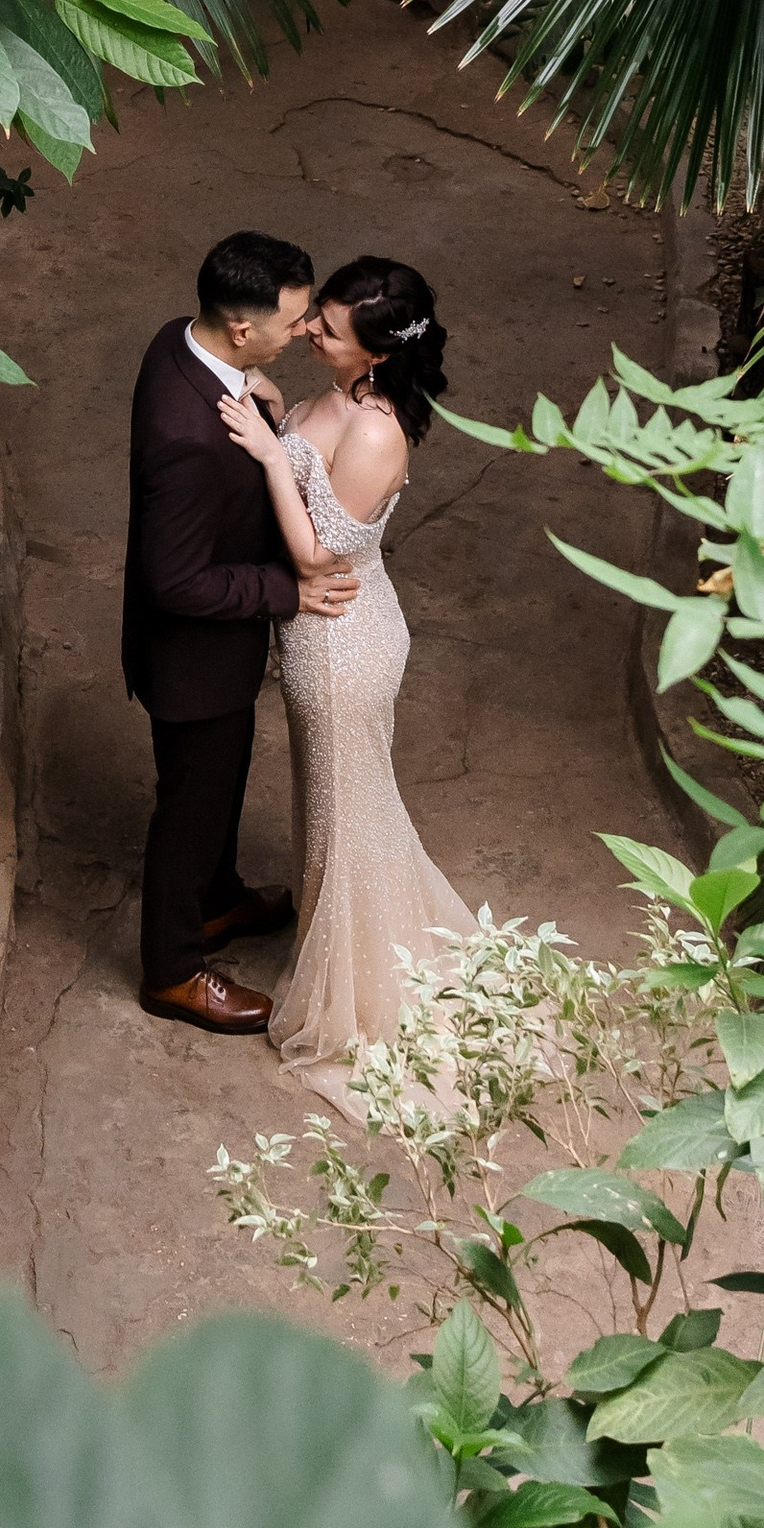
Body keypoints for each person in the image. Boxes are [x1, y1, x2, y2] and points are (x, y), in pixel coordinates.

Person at [215, 253, 472, 1092]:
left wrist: (269, 455)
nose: (309, 334)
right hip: (325, 634)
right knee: (338, 808)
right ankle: (342, 943)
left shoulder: (377, 431)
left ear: (379, 353)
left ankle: (359, 993)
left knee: (343, 814)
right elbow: (312, 457)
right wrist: (280, 415)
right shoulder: (342, 396)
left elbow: (317, 555)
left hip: (340, 646)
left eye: (326, 330)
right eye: (316, 318)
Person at [123, 232, 361, 1035]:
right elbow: (175, 581)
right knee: (190, 809)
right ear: (239, 328)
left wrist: (263, 409)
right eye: (292, 322)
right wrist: (288, 591)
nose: (303, 331)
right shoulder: (187, 439)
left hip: (214, 655)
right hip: (191, 662)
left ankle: (218, 900)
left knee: (222, 784)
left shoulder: (179, 342)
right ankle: (172, 970)